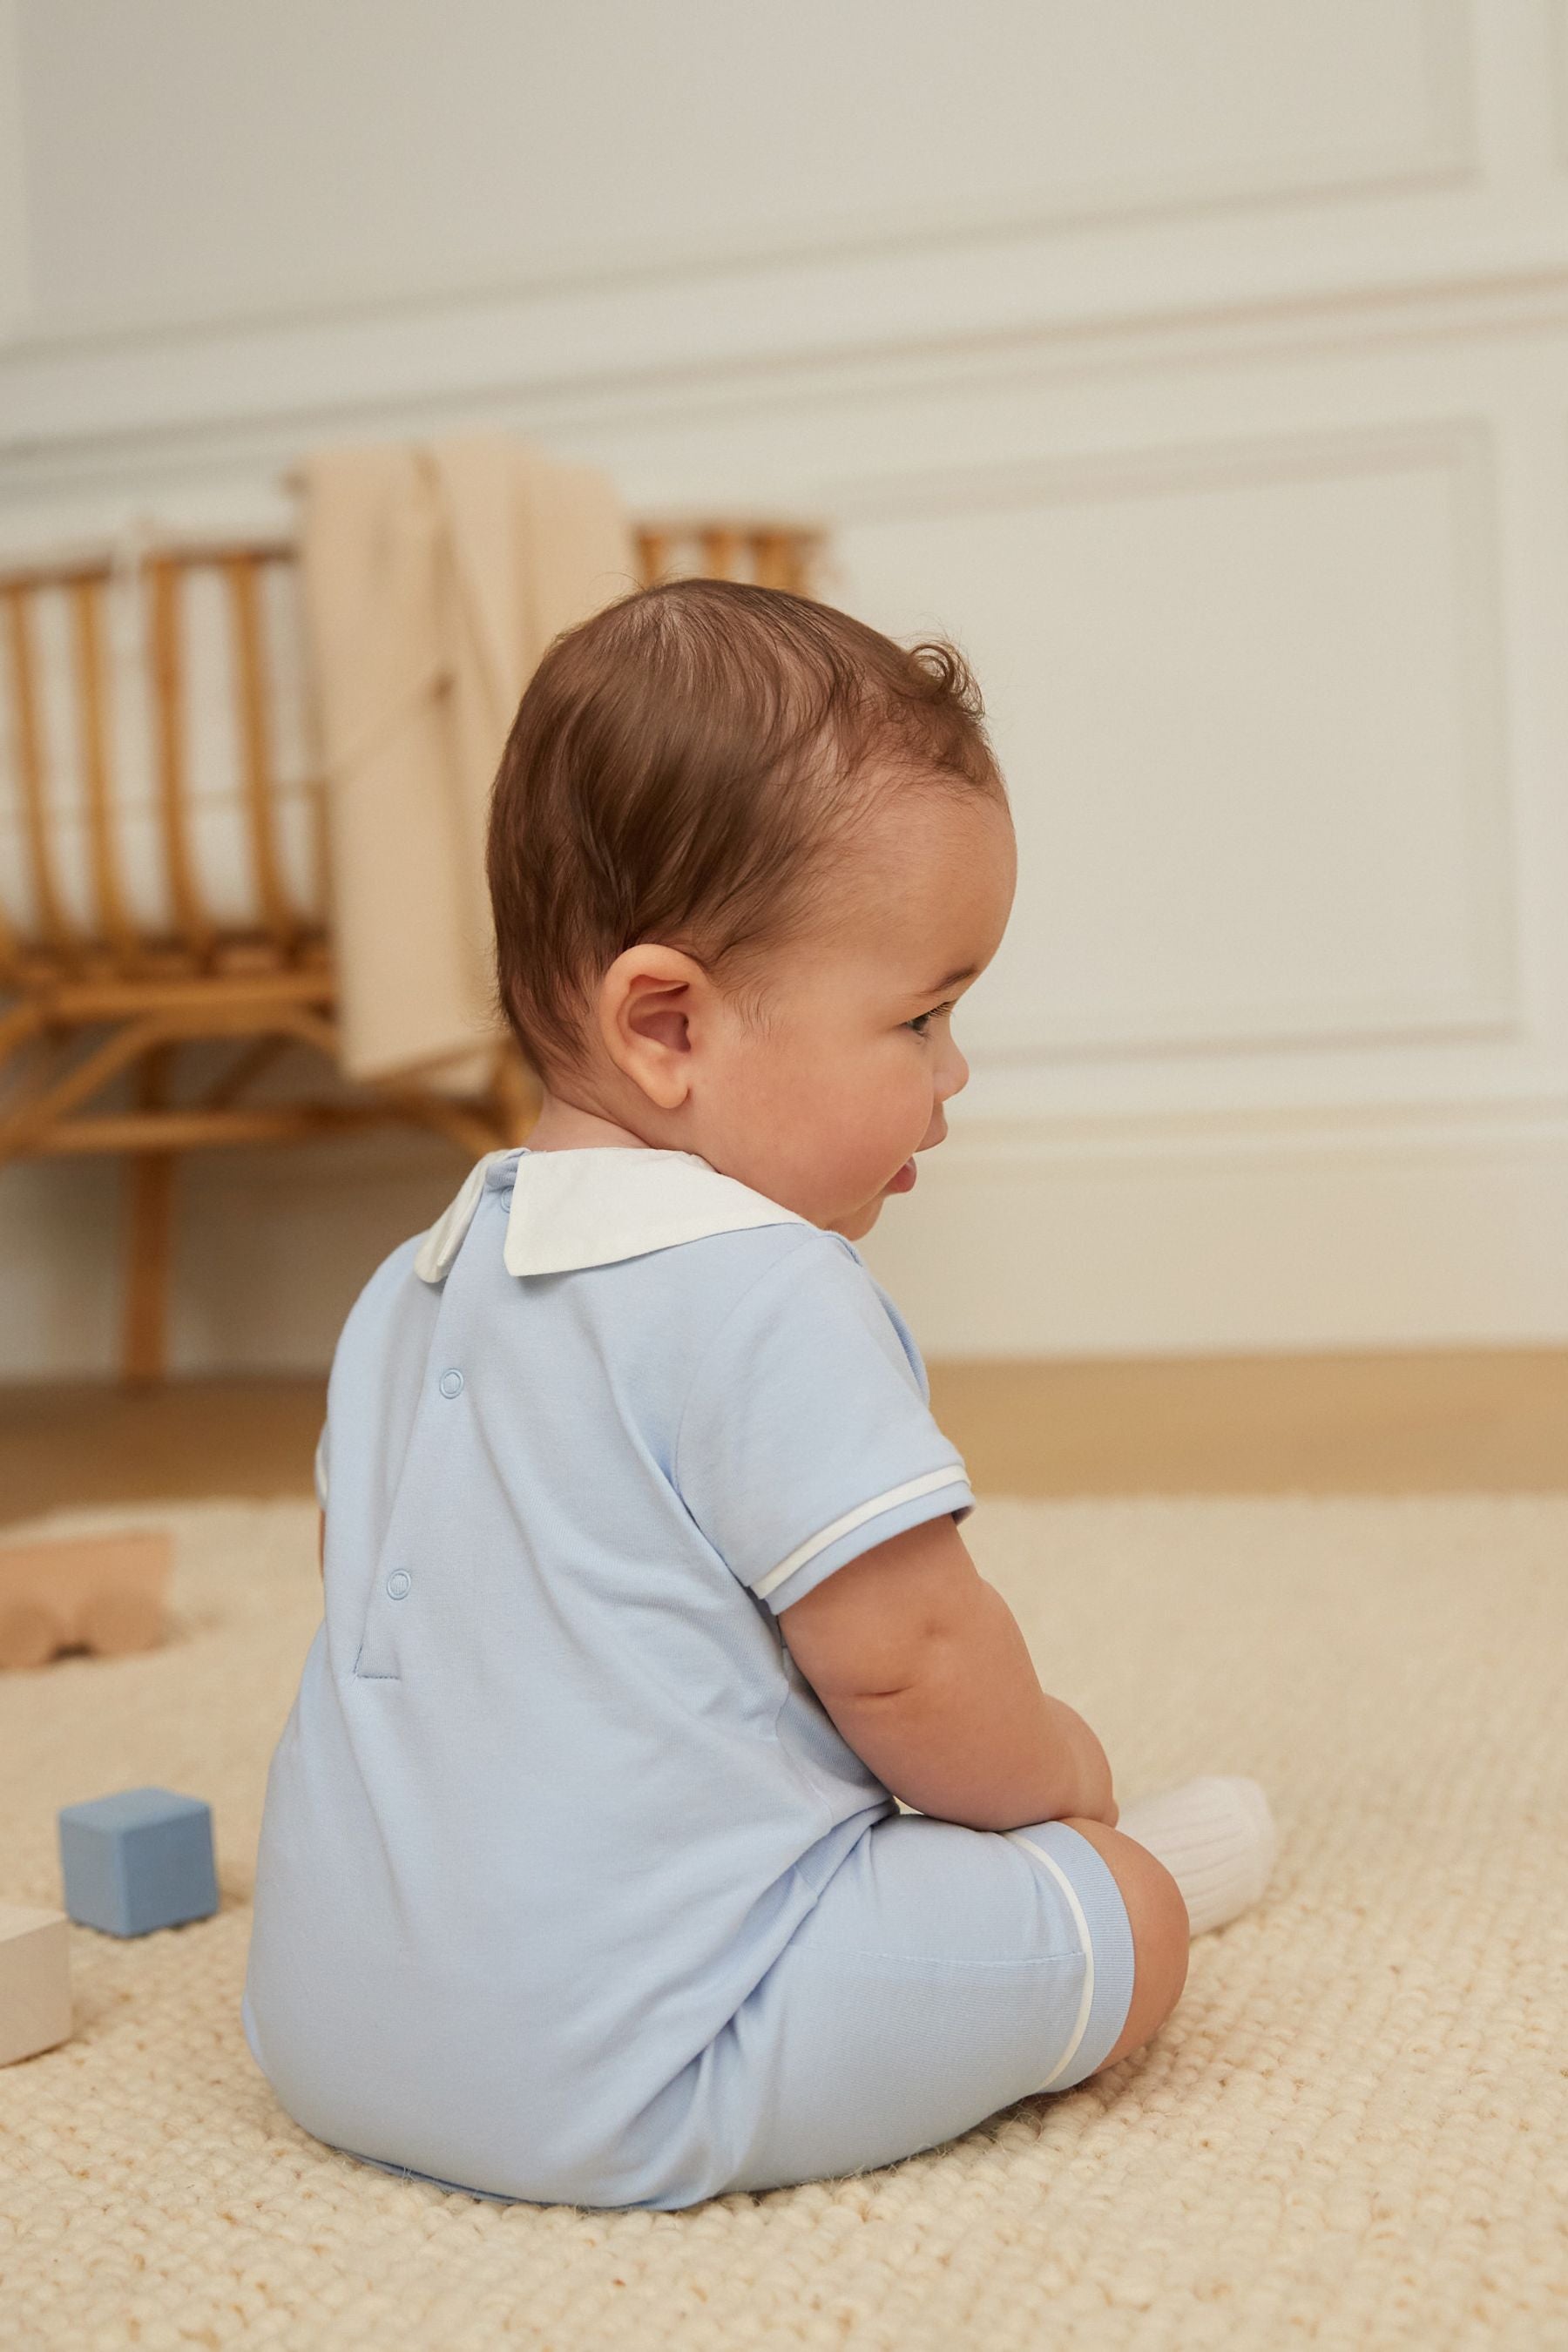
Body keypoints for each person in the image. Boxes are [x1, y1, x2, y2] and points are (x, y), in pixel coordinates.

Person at [244, 578, 1278, 2209]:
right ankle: (1121, 1878)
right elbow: (915, 1669)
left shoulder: (408, 1290)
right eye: (923, 1015)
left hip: (320, 2026)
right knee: (1121, 1926)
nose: (953, 1075)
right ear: (668, 1024)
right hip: (640, 2051)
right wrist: (1065, 1788)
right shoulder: (766, 1286)